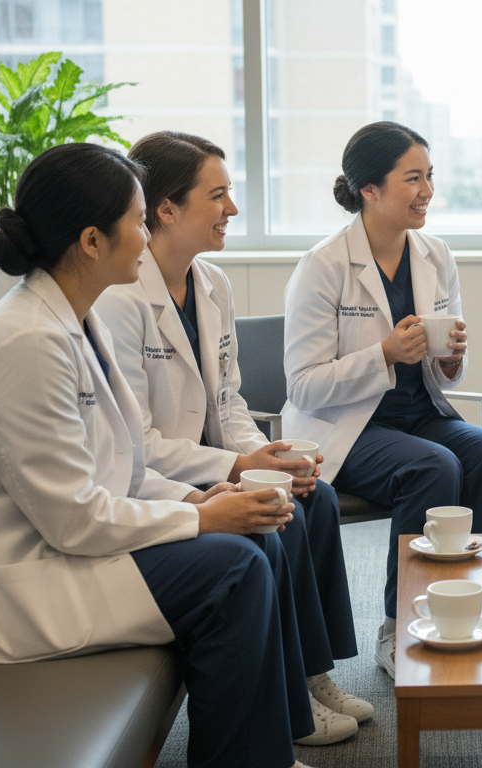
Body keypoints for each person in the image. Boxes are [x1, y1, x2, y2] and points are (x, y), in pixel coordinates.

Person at [0, 142, 319, 768]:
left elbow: (129, 467)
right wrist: (202, 519)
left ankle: (261, 752)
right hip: (5, 586)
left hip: (58, 548)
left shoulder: (74, 318)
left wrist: (203, 497)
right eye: (140, 221)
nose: (148, 235)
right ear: (92, 240)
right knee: (234, 568)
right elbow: (74, 518)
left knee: (257, 539)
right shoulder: (26, 342)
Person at [95, 131, 369, 745]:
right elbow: (134, 440)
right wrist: (237, 462)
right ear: (165, 208)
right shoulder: (119, 299)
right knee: (277, 514)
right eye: (216, 195)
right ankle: (287, 697)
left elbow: (229, 401)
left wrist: (264, 454)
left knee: (312, 492)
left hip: (214, 459)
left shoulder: (212, 283)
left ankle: (308, 673)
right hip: (167, 473)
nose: (232, 209)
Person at [282, 121, 482, 678]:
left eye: (430, 176)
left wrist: (452, 361)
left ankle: (468, 604)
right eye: (413, 178)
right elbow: (303, 385)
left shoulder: (434, 254)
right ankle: (401, 623)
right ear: (370, 189)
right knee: (432, 467)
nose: (427, 192)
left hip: (419, 416)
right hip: (347, 428)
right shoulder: (323, 266)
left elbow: (444, 371)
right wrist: (384, 354)